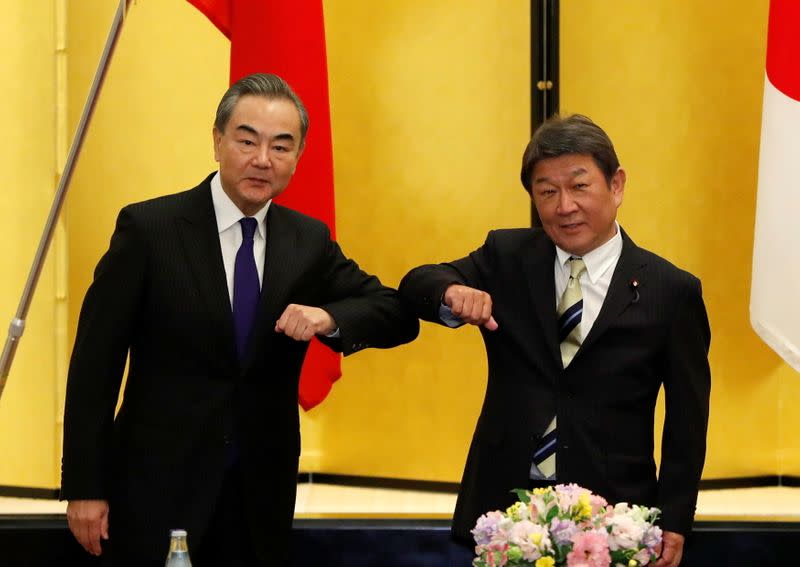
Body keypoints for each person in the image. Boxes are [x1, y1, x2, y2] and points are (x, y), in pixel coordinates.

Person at [61, 73, 419, 566]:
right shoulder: (150, 230)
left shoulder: (307, 241)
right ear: (217, 141)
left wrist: (328, 317)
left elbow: (395, 312)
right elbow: (93, 368)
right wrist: (84, 486)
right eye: (247, 140)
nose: (262, 160)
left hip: (258, 493)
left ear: (297, 157)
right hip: (156, 488)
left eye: (281, 146)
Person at [399, 114, 710, 567]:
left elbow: (687, 419)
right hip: (503, 507)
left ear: (617, 185)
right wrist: (451, 292)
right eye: (547, 192)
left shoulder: (670, 290)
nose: (564, 206)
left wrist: (676, 517)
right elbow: (416, 283)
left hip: (614, 515)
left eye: (579, 186)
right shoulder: (506, 257)